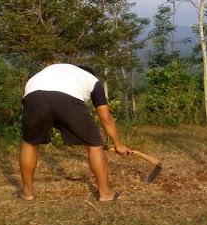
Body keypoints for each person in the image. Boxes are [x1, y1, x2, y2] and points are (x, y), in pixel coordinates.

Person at [18, 64, 131, 202]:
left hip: (33, 97)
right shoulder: (92, 80)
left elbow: (46, 108)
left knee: (29, 142)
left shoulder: (51, 72)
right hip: (66, 99)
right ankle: (105, 193)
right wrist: (118, 144)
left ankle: (27, 192)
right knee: (94, 144)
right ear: (91, 74)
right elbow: (106, 118)